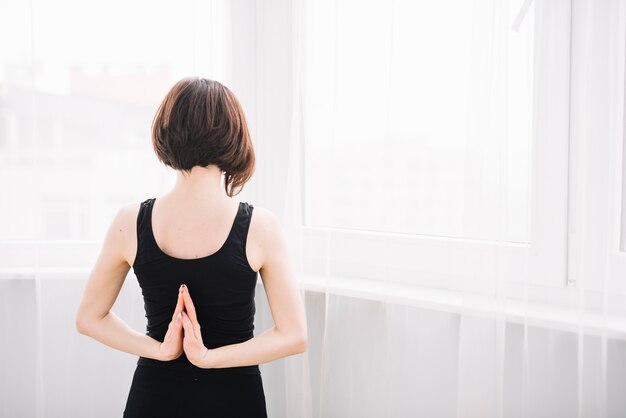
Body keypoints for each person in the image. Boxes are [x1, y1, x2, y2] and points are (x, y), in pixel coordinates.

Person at [75, 77, 308, 417]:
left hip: (154, 395)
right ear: (234, 137)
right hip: (235, 396)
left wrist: (161, 350)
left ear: (166, 132)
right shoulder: (262, 227)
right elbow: (294, 336)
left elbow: (88, 318)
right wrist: (208, 358)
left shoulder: (129, 222)